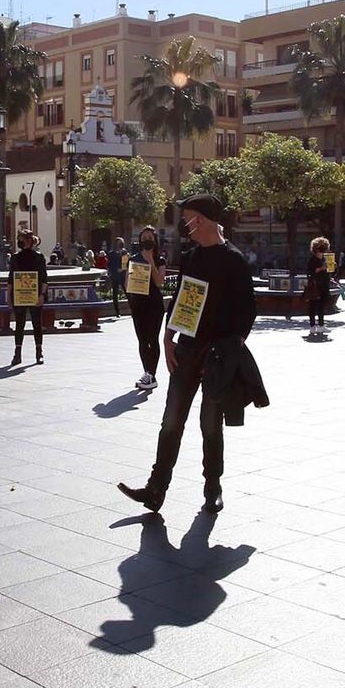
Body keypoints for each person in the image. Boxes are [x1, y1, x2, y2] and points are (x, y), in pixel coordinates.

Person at [117, 193, 256, 514]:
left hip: (216, 357)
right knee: (171, 422)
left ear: (203, 220)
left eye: (188, 218)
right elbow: (180, 298)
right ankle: (155, 490)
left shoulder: (233, 260)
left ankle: (213, 487)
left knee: (210, 424)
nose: (184, 225)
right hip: (186, 352)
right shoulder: (192, 257)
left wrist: (229, 351)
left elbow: (247, 312)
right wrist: (168, 338)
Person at [127, 225, 167, 390]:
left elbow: (159, 282)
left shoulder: (160, 260)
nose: (147, 240)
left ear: (155, 240)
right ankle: (147, 372)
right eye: (144, 238)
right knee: (142, 340)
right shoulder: (133, 259)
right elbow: (127, 283)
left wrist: (150, 261)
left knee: (153, 339)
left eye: (150, 238)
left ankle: (152, 374)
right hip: (138, 305)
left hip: (154, 305)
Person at [8, 229, 48, 365]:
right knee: (20, 325)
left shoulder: (39, 257)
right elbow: (11, 279)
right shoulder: (15, 257)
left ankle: (39, 353)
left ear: (29, 241)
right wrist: (9, 296)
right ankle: (17, 354)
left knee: (37, 324)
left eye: (22, 239)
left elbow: (43, 278)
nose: (20, 242)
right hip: (20, 295)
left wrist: (42, 295)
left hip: (35, 295)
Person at [305, 236, 332, 336]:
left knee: (321, 306)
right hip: (316, 285)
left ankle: (320, 325)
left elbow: (327, 272)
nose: (322, 251)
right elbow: (310, 272)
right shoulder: (313, 259)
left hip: (324, 284)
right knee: (313, 306)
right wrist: (321, 268)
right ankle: (313, 326)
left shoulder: (324, 259)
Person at [108, 236, 129, 317]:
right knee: (115, 294)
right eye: (118, 243)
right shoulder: (111, 253)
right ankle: (117, 312)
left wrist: (123, 269)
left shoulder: (124, 252)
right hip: (115, 276)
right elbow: (109, 265)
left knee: (127, 293)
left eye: (121, 243)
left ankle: (132, 309)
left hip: (123, 276)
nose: (119, 244)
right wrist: (111, 272)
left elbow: (126, 264)